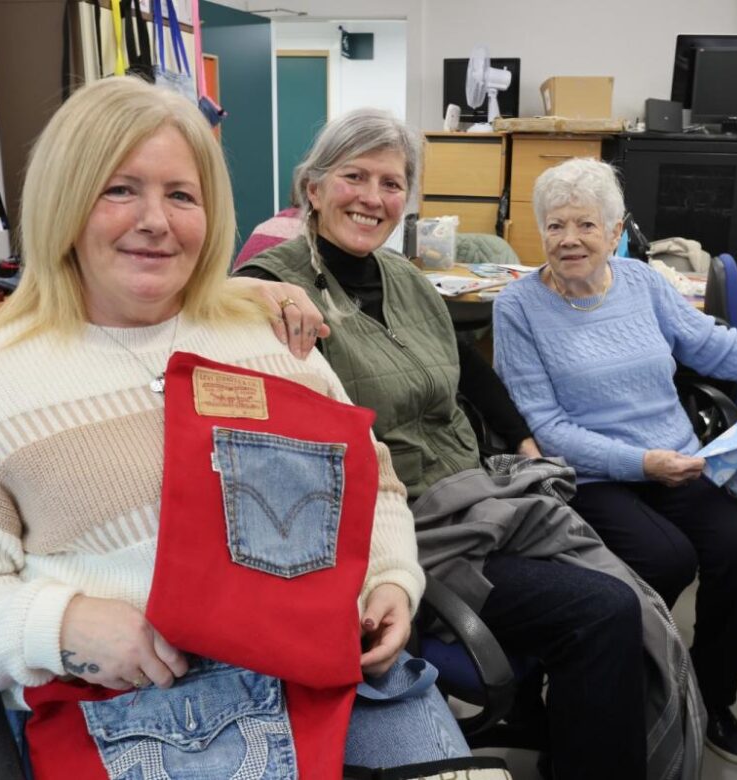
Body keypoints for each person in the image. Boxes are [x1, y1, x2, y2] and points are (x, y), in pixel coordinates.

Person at [0, 76, 471, 776]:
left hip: (340, 676)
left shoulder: (272, 340)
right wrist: (61, 623)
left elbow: (375, 487)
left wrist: (392, 580)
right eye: (120, 189)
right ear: (64, 204)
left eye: (181, 195)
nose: (155, 220)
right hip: (156, 712)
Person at [239, 108, 702, 780]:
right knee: (606, 610)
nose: (373, 197)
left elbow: (466, 364)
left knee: (634, 578)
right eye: (354, 176)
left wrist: (524, 441)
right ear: (312, 187)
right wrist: (249, 291)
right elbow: (199, 309)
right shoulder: (275, 286)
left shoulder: (403, 278)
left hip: (479, 492)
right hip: (401, 529)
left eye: (391, 183)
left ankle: (574, 728)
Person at [491, 157, 737, 765]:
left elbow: (711, 345)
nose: (569, 240)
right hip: (590, 473)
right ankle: (615, 689)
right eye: (555, 226)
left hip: (676, 458)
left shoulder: (642, 281)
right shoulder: (517, 308)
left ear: (615, 233)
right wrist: (642, 463)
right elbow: (546, 427)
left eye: (586, 225)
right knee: (664, 559)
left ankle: (709, 695)